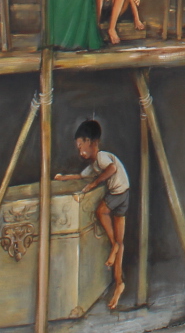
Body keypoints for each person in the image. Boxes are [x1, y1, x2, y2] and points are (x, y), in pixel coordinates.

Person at [56, 119, 130, 311]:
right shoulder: (94, 165)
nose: (80, 150)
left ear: (90, 142)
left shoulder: (102, 157)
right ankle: (119, 283)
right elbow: (81, 176)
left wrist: (94, 184)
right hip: (124, 194)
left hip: (119, 193)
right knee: (120, 241)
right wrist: (63, 178)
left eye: (81, 145)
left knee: (101, 211)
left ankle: (114, 246)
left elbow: (112, 169)